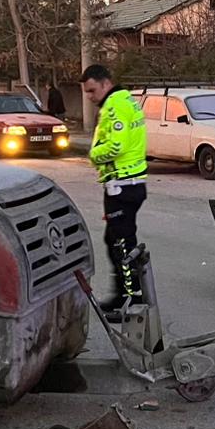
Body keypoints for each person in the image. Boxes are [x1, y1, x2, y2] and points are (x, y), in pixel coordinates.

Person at [80, 64, 148, 310]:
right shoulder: (127, 99)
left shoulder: (114, 105)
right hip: (130, 182)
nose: (89, 97)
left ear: (105, 83)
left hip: (122, 183)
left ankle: (129, 298)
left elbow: (116, 146)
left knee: (120, 243)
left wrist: (94, 154)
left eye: (92, 90)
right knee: (118, 239)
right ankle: (130, 294)